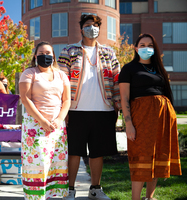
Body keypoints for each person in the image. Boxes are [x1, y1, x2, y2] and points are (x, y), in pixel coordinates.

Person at [58, 14, 121, 200]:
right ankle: (70, 190)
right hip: (76, 111)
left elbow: (117, 80)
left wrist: (116, 105)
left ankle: (95, 189)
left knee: (98, 152)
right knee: (74, 151)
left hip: (104, 110)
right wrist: (64, 109)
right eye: (87, 25)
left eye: (95, 25)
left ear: (99, 29)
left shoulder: (109, 53)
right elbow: (61, 82)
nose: (91, 28)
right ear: (81, 29)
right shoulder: (68, 51)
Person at [119, 33, 182, 200]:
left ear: (154, 49)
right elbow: (124, 97)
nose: (146, 48)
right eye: (142, 44)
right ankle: (135, 198)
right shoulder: (128, 69)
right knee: (141, 156)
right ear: (136, 48)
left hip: (163, 117)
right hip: (141, 116)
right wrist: (128, 123)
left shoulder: (159, 69)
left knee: (157, 156)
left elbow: (166, 94)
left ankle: (150, 197)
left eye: (150, 45)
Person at [19, 41, 71, 200]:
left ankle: (52, 196)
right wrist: (41, 121)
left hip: (57, 127)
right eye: (41, 53)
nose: (45, 56)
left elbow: (67, 100)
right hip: (35, 127)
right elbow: (25, 99)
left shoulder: (62, 74)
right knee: (39, 164)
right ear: (35, 56)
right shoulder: (29, 73)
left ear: (53, 55)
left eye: (48, 53)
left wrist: (60, 119)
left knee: (56, 164)